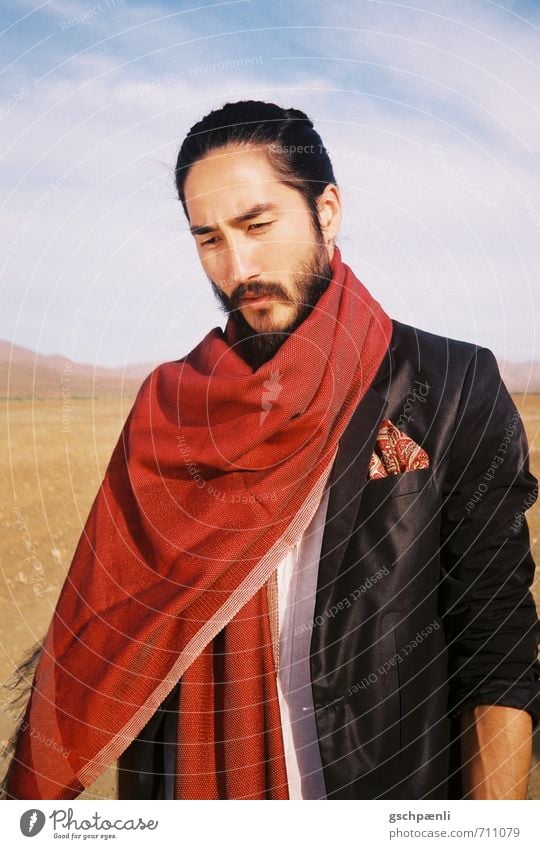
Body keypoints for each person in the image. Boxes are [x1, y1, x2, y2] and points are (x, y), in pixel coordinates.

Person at [2, 100, 539, 801]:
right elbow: (105, 628)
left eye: (258, 225)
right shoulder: (169, 413)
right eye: (209, 239)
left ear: (328, 210)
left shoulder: (451, 385)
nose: (239, 264)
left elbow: (495, 647)